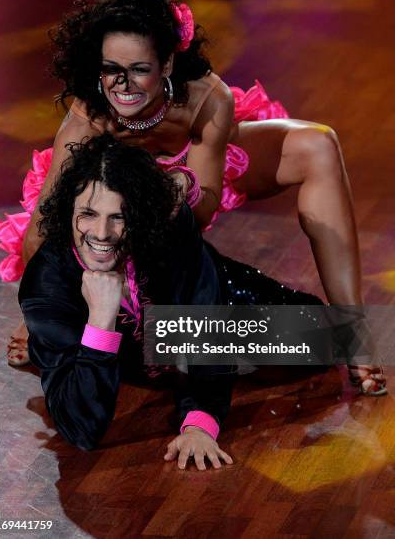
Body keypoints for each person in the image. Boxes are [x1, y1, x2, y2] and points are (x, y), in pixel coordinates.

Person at [0, 0, 385, 395]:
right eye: (111, 70)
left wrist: (184, 189)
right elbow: (43, 228)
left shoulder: (206, 99)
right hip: (120, 202)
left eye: (139, 69)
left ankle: (351, 328)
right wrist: (41, 310)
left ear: (165, 65)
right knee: (83, 230)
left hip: (190, 186)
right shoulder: (86, 119)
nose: (123, 85)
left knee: (319, 144)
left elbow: (201, 214)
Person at [19, 133, 323, 468]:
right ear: (67, 212)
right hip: (141, 352)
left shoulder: (170, 233)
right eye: (88, 214)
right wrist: (101, 319)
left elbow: (208, 322)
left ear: (141, 216)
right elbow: (81, 430)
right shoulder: (46, 282)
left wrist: (199, 421)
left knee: (327, 336)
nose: (102, 233)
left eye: (119, 216)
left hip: (219, 307)